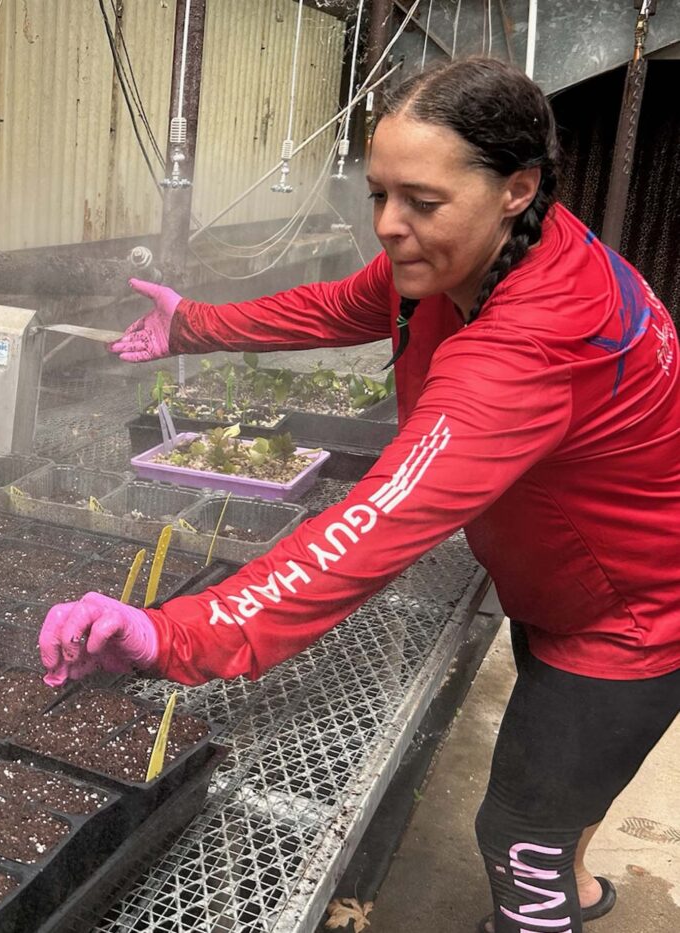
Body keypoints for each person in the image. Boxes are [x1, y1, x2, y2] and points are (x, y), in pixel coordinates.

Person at [38, 57, 680, 933]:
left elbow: (377, 523)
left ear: (517, 187)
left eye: (421, 201)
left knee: (515, 826)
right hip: (570, 574)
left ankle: (540, 912)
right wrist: (195, 322)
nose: (388, 225)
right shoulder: (492, 253)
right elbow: (340, 304)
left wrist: (177, 631)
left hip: (633, 616)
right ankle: (578, 883)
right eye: (378, 194)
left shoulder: (532, 340)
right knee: (563, 782)